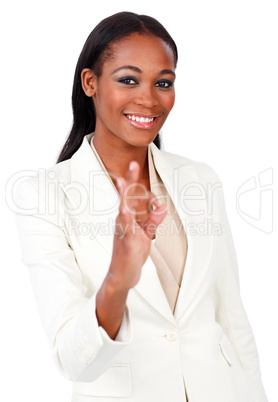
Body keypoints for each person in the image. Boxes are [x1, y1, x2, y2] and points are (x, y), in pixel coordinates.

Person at [15, 11, 268, 402]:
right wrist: (118, 277)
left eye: (162, 83)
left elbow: (233, 318)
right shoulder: (44, 196)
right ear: (90, 82)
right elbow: (71, 357)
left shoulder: (200, 179)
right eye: (128, 79)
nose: (149, 99)